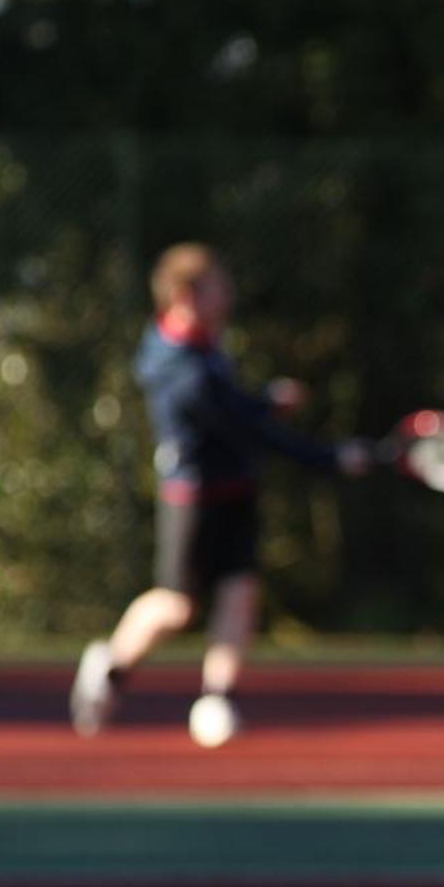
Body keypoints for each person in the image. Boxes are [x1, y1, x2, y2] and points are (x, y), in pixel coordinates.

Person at [70, 243, 370, 746]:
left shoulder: (205, 345)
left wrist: (266, 401)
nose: (228, 296)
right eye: (218, 287)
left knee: (241, 591)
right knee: (176, 606)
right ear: (186, 295)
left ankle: (217, 697)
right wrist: (330, 458)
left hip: (237, 489)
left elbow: (236, 408)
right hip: (192, 496)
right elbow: (241, 426)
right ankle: (111, 668)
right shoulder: (176, 370)